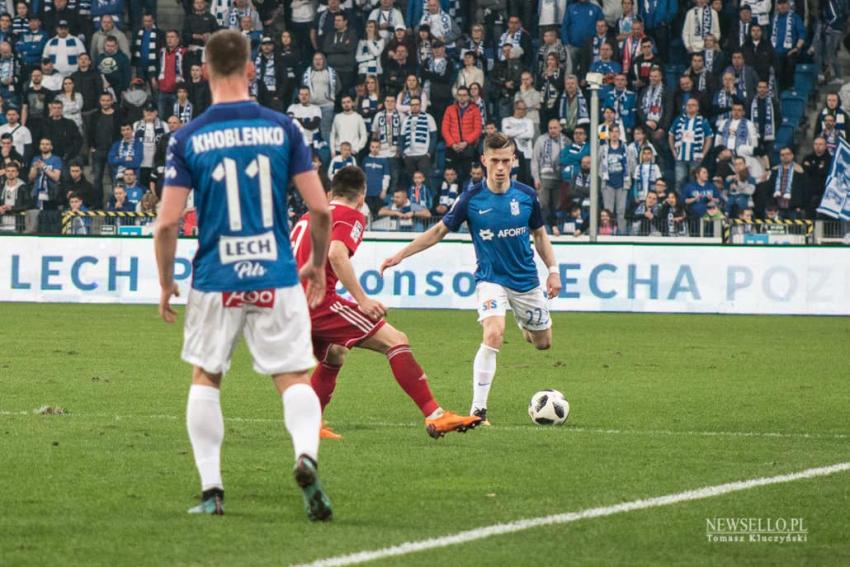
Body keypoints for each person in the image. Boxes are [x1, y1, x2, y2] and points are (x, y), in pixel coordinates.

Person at [153, 30, 333, 521]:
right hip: (275, 273)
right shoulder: (283, 129)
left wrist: (166, 282)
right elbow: (320, 210)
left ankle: (212, 491)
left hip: (215, 276)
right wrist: (316, 262)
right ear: (251, 68)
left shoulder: (187, 138)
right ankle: (305, 455)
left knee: (206, 376)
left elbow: (167, 222)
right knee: (293, 376)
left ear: (205, 71)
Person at [380, 133, 562, 424]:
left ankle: (523, 320)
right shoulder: (471, 198)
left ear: (514, 160)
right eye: (495, 161)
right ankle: (478, 411)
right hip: (490, 278)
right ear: (484, 161)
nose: (500, 167)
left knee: (542, 343)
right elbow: (438, 231)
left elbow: (539, 235)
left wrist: (553, 271)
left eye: (506, 160)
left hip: (526, 280)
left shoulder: (526, 196)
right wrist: (401, 255)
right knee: (493, 334)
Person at [290, 165, 480, 438]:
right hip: (318, 303)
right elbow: (336, 254)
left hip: (291, 304)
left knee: (335, 353)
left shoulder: (307, 216)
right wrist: (362, 300)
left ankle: (310, 425)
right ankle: (436, 415)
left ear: (331, 191)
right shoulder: (351, 215)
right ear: (362, 194)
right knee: (396, 340)